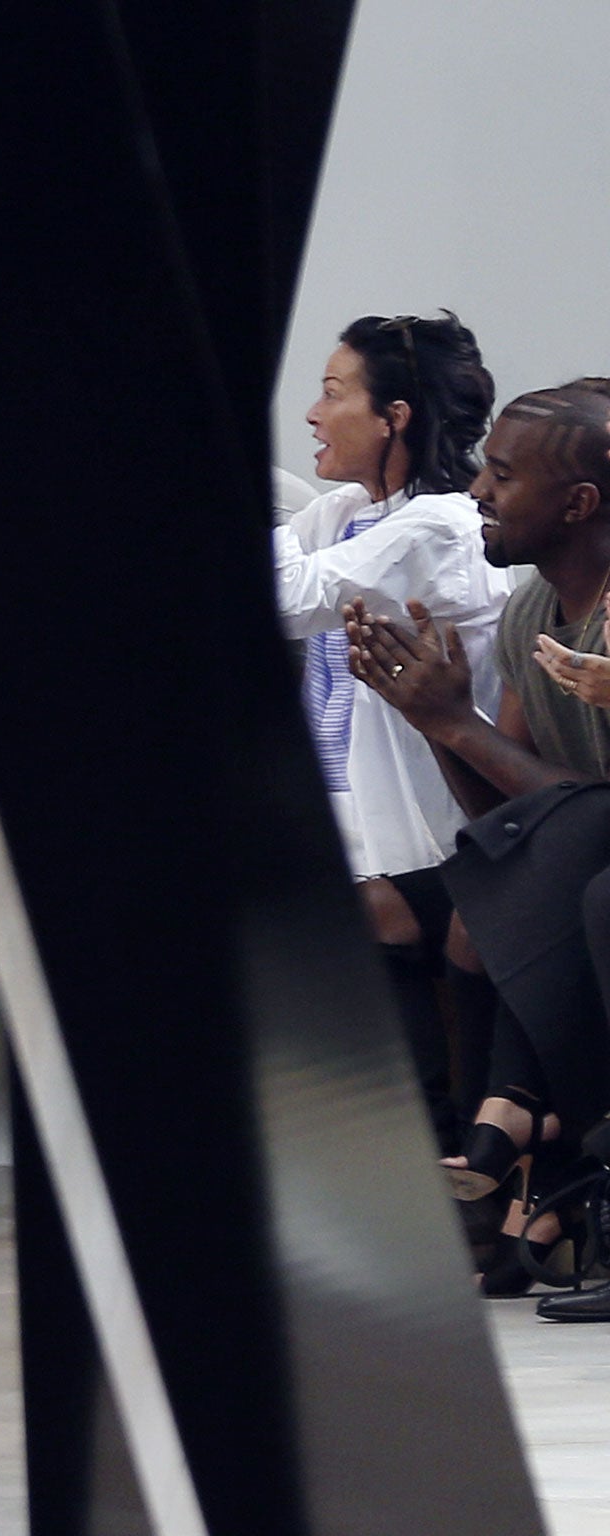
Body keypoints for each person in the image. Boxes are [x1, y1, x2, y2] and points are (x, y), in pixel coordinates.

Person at [347, 379, 610, 1309]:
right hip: (577, 868)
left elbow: (582, 820)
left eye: (501, 476)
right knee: (467, 907)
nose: (477, 493)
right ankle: (507, 1169)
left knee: (573, 891)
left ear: (577, 505)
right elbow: (512, 813)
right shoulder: (531, 610)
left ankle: (510, 1151)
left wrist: (459, 725)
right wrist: (433, 720)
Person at [274, 314, 509, 1156]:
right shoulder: (343, 510)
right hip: (350, 825)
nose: (311, 413)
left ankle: (438, 1164)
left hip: (431, 836)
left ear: (395, 417)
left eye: (333, 393)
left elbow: (284, 594)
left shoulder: (441, 527)